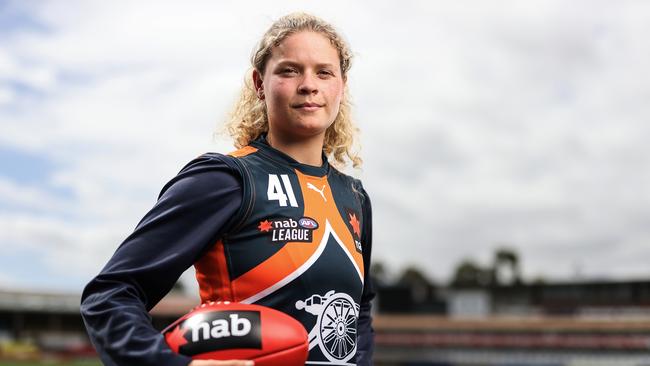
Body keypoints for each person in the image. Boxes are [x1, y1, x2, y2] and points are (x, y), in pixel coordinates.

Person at [80, 12, 375, 366]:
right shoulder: (225, 179)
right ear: (259, 83)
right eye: (289, 70)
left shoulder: (354, 197)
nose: (308, 84)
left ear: (341, 86)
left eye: (323, 72)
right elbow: (110, 294)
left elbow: (358, 313)